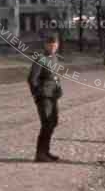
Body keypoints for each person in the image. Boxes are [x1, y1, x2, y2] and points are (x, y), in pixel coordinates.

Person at [28, 34, 63, 162]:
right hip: (44, 97)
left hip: (53, 96)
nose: (53, 47)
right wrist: (37, 95)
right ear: (45, 45)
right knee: (47, 123)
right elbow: (32, 79)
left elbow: (55, 76)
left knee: (53, 122)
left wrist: (59, 89)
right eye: (50, 45)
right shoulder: (40, 59)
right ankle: (40, 154)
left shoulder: (54, 58)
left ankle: (46, 152)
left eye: (55, 45)